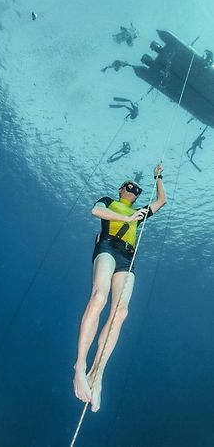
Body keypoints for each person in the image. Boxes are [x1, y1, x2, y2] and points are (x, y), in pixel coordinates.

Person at [73, 164, 166, 412]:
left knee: (121, 313)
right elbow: (96, 210)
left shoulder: (139, 212)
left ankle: (97, 373)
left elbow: (161, 201)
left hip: (128, 258)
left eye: (135, 190)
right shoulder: (109, 201)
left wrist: (158, 177)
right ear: (120, 189)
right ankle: (80, 367)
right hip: (107, 247)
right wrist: (126, 218)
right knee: (99, 297)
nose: (132, 190)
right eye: (128, 186)